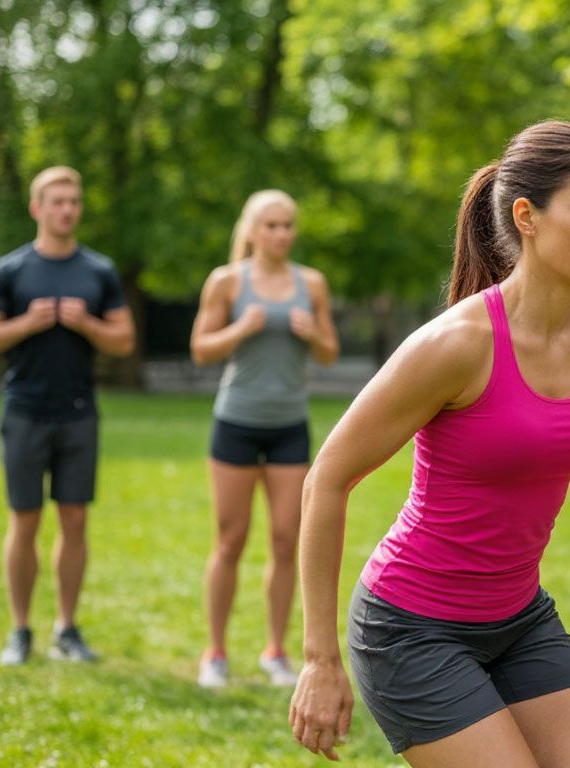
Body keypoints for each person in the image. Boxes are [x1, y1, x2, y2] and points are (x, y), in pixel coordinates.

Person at [287, 120, 570, 765]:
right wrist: (320, 659)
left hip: (520, 620)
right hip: (410, 628)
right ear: (527, 216)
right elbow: (327, 478)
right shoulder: (455, 345)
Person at [0, 165, 137, 665]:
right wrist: (25, 322)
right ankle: (20, 631)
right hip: (24, 412)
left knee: (75, 521)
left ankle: (67, 628)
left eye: (74, 201)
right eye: (57, 200)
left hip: (79, 413)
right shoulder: (12, 270)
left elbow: (124, 340)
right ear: (36, 207)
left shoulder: (99, 271)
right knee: (24, 520)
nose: (67, 209)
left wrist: (86, 324)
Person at [189, 190, 339, 688]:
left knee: (284, 539)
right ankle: (215, 652)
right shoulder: (226, 282)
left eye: (288, 225)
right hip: (235, 421)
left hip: (288, 425)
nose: (281, 233)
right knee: (230, 540)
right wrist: (240, 330)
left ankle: (275, 650)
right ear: (252, 230)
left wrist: (312, 335)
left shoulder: (310, 283)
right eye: (271, 225)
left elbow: (329, 354)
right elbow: (201, 350)